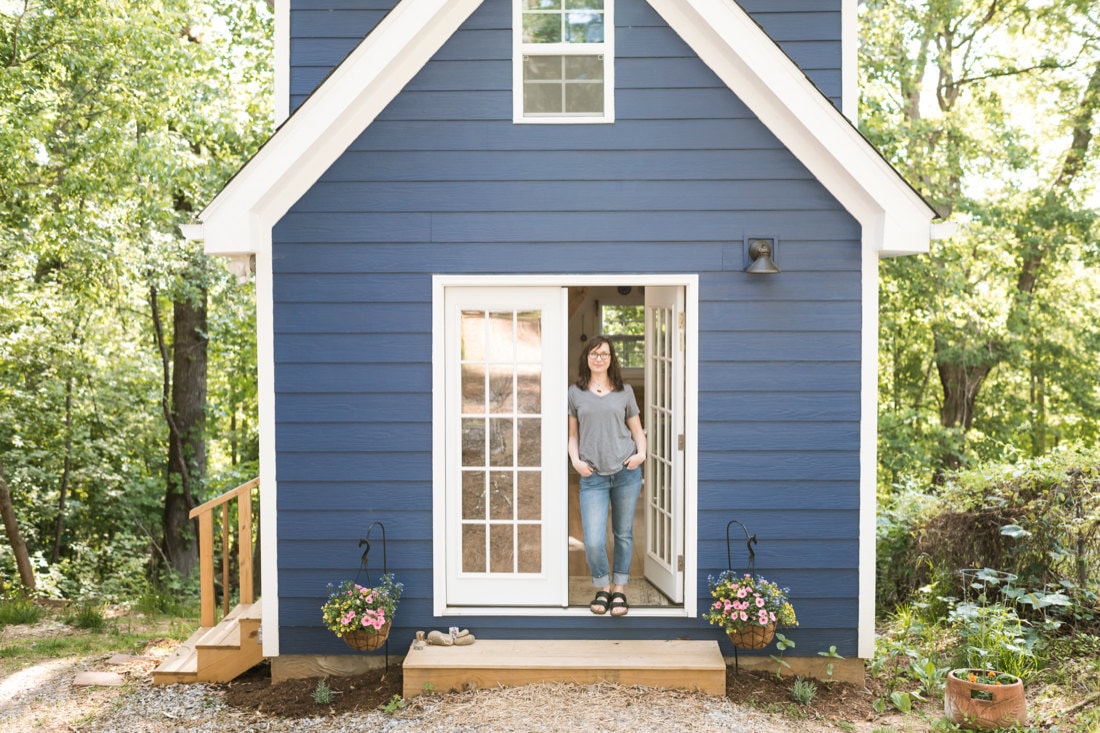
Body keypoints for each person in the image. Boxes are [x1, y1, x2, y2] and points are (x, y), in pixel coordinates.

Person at [567, 336, 647, 617]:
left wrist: (641, 454)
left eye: (604, 354)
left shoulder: (624, 391)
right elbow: (573, 434)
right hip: (593, 476)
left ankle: (619, 589)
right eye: (593, 353)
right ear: (586, 358)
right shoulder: (575, 393)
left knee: (623, 534)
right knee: (593, 540)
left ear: (612, 358)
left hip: (626, 472)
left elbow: (637, 430)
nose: (598, 358)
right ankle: (602, 585)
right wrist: (575, 461)